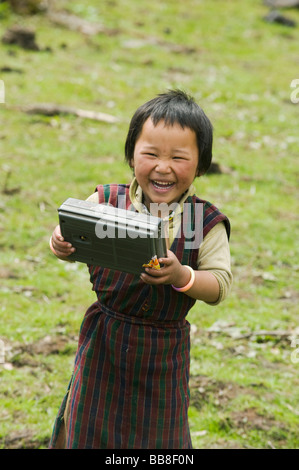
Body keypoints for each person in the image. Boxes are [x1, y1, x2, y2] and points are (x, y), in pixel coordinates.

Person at [48, 89, 232, 449]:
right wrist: (61, 243)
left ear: (201, 165)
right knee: (88, 428)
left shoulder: (203, 221)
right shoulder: (106, 201)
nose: (163, 167)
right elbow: (72, 234)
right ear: (132, 157)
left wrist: (182, 276)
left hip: (163, 354)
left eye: (179, 157)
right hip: (104, 339)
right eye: (150, 154)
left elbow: (219, 285)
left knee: (160, 441)